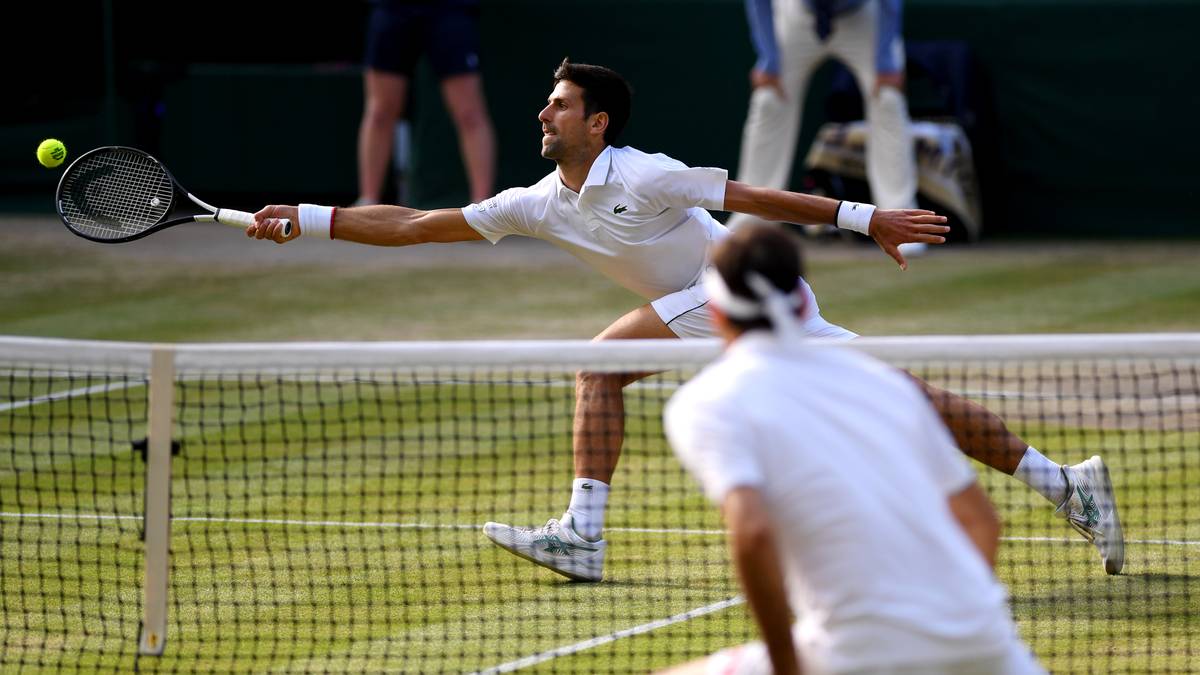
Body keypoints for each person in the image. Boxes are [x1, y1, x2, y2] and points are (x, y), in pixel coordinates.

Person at [246, 59, 1123, 583]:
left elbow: (755, 196)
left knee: (599, 364)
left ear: (597, 122)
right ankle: (1065, 483)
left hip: (739, 291)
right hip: (728, 308)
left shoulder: (646, 172)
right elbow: (412, 224)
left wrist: (868, 218)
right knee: (900, 400)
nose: (542, 113)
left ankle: (581, 535)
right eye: (546, 104)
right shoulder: (536, 201)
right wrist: (311, 218)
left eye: (559, 104)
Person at [659, 224, 1044, 675]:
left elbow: (754, 533)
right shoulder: (886, 383)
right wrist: (950, 623)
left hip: (854, 652)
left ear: (716, 313)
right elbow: (980, 520)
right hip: (984, 643)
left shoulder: (705, 404)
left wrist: (786, 667)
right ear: (802, 302)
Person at [726, 0, 923, 256]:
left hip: (861, 17)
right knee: (769, 100)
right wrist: (769, 58)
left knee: (887, 98)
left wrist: (885, 62)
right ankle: (750, 222)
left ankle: (902, 221)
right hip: (798, 14)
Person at [356, 0, 496, 206]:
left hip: (450, 10)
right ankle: (368, 201)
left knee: (469, 113)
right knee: (379, 112)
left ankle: (484, 207)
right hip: (393, 9)